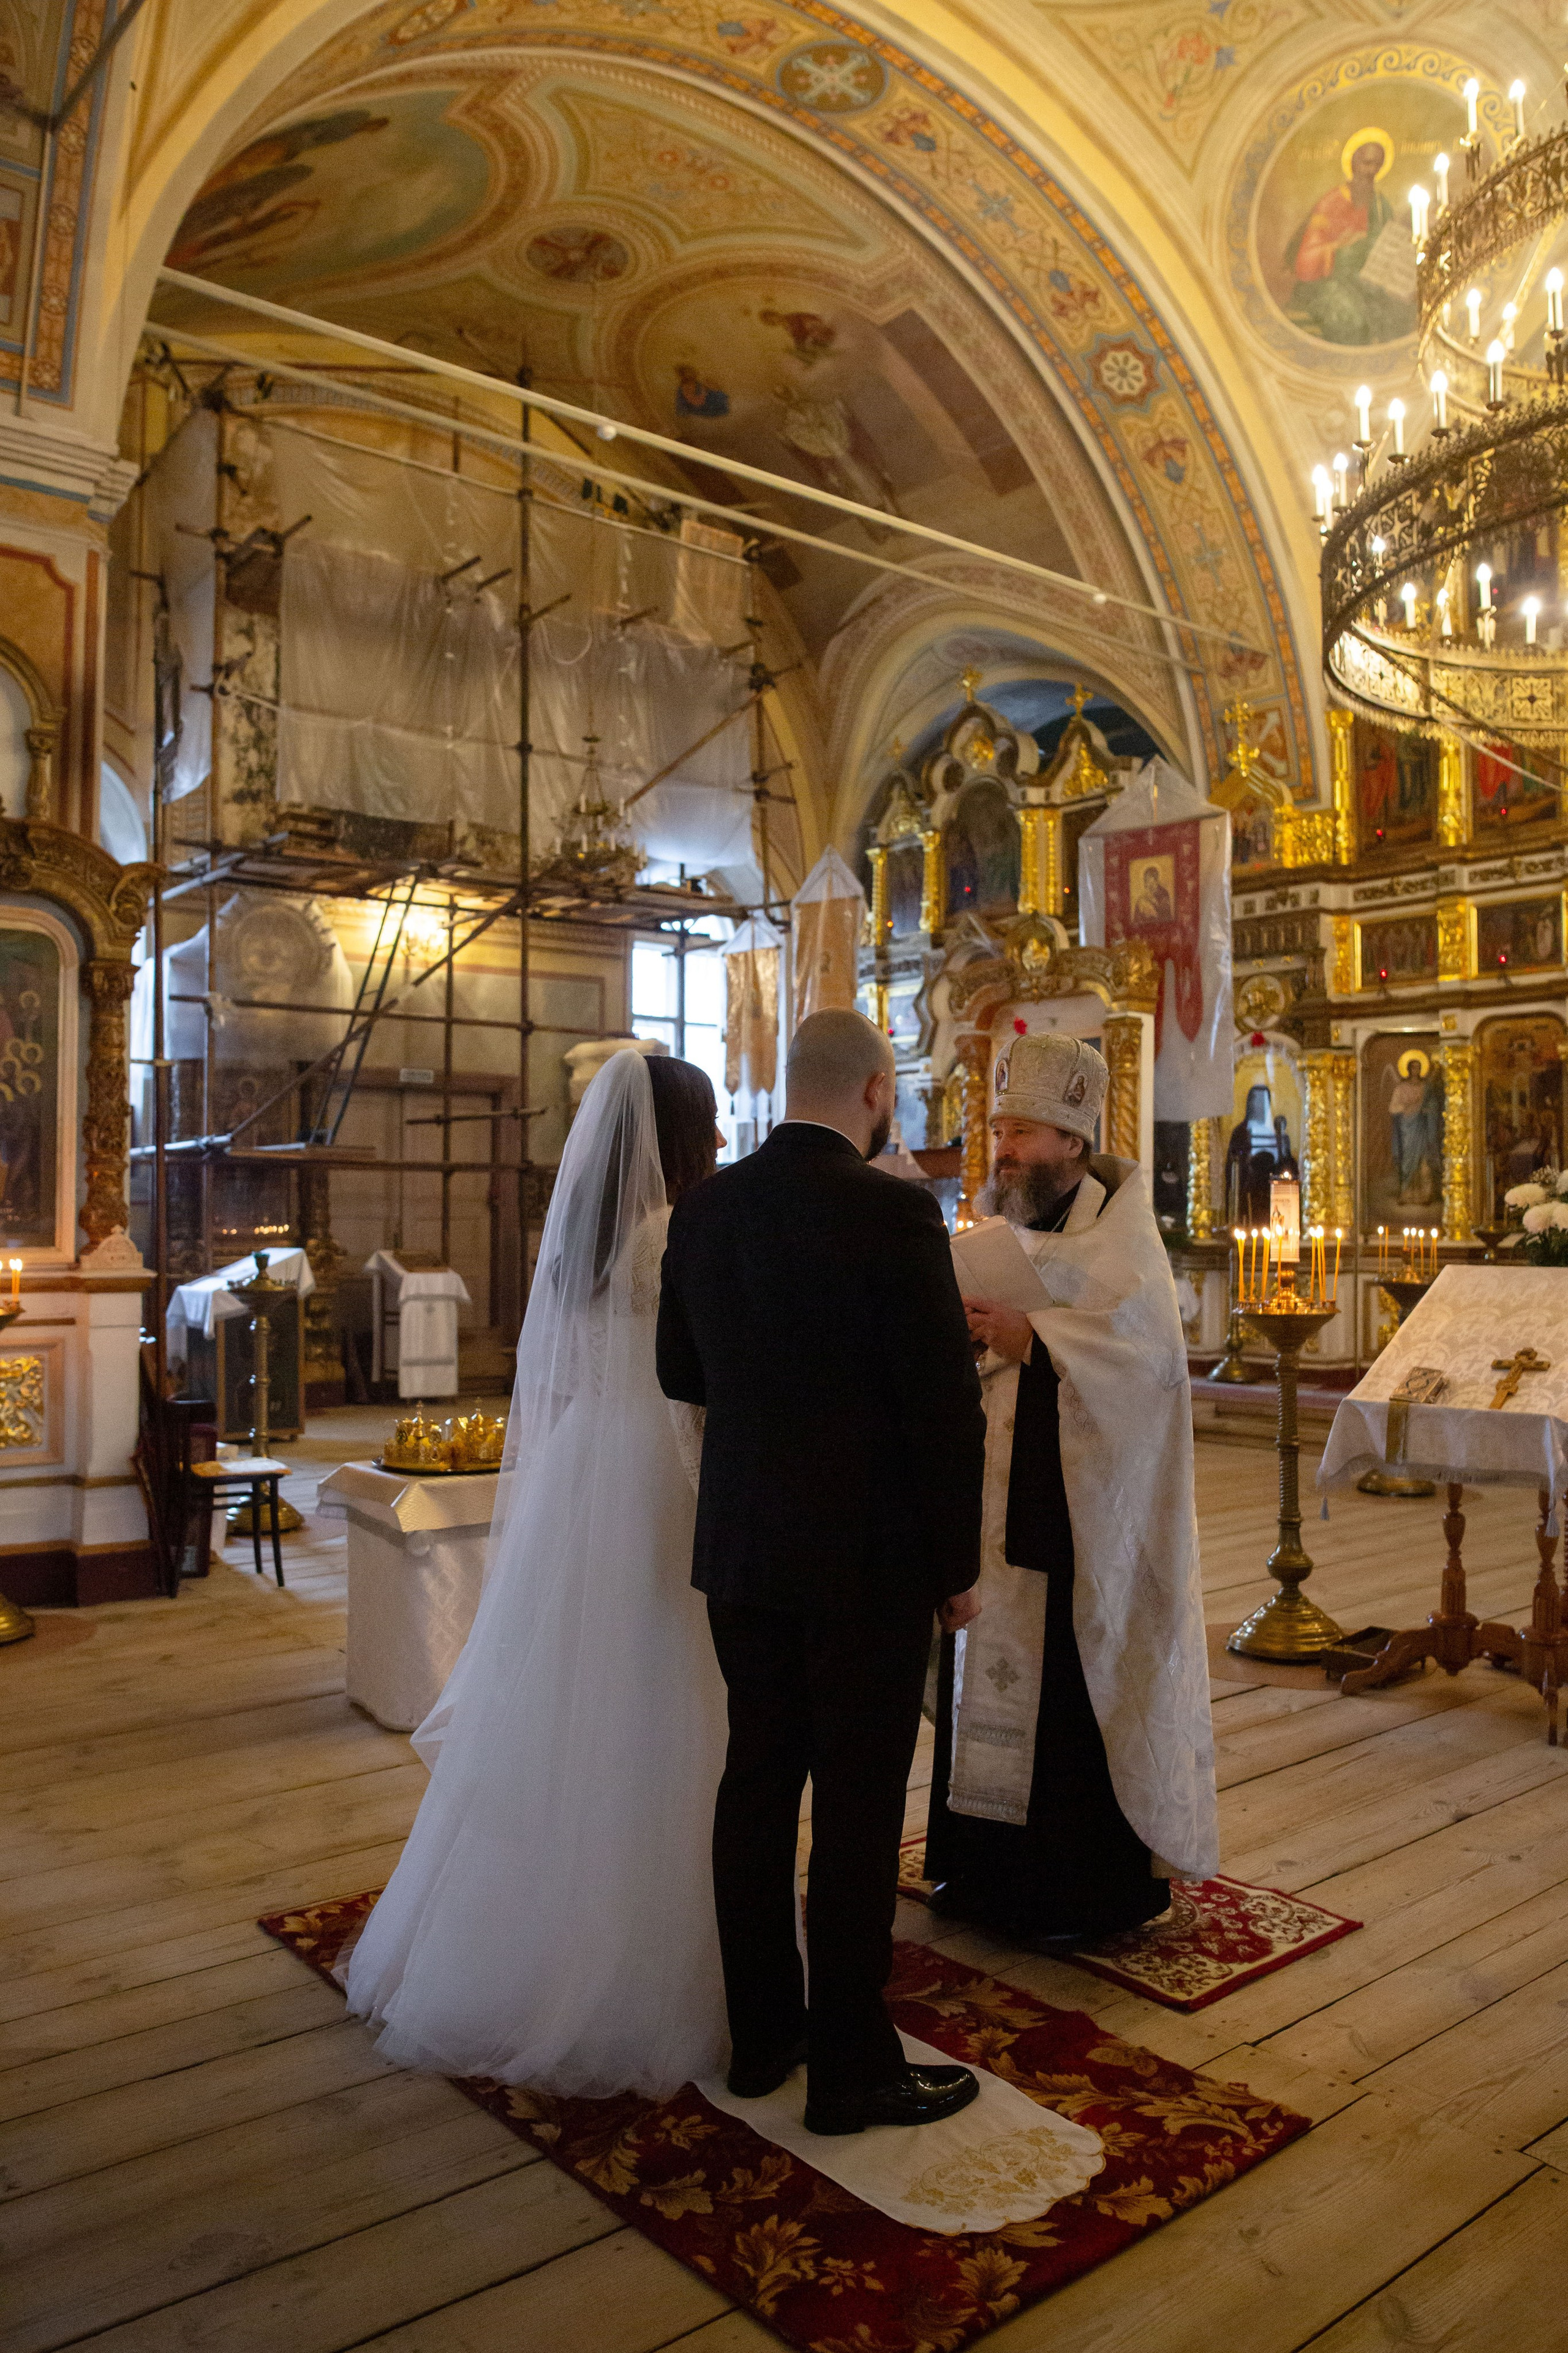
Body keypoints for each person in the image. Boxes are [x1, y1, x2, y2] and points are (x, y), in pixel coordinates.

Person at [346, 1049, 731, 2098]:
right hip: (657, 1475)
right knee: (660, 1696)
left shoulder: (582, 1238)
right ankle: (645, 1954)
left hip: (583, 1466)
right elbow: (699, 1375)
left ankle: (517, 1917)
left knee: (567, 1697)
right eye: (714, 1126)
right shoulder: (672, 1236)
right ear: (684, 1139)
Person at [657, 1008, 987, 2136]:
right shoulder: (898, 1213)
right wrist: (958, 1565)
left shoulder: (706, 1209)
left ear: (789, 1083)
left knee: (756, 1784)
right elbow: (946, 1409)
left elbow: (677, 1368)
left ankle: (763, 2040)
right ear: (878, 1089)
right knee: (854, 1809)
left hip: (745, 1549)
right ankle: (853, 2069)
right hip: (871, 1563)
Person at [926, 1030, 1218, 1941]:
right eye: (1000, 1126)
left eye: (1023, 1132)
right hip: (992, 1512)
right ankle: (976, 1871)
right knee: (986, 1675)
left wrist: (1035, 1342)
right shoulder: (999, 1231)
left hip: (1074, 1525)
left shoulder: (1124, 1249)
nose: (1003, 1147)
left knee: (1063, 1693)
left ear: (1074, 1144)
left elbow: (1150, 1378)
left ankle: (1073, 1890)